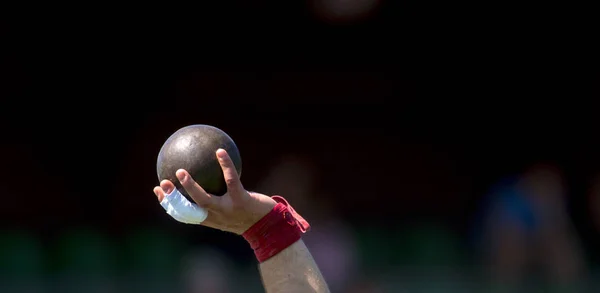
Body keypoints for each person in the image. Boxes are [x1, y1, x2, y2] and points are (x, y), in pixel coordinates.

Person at [152, 149, 331, 293]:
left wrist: (264, 227)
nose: (290, 190)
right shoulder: (214, 243)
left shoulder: (326, 232)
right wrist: (265, 227)